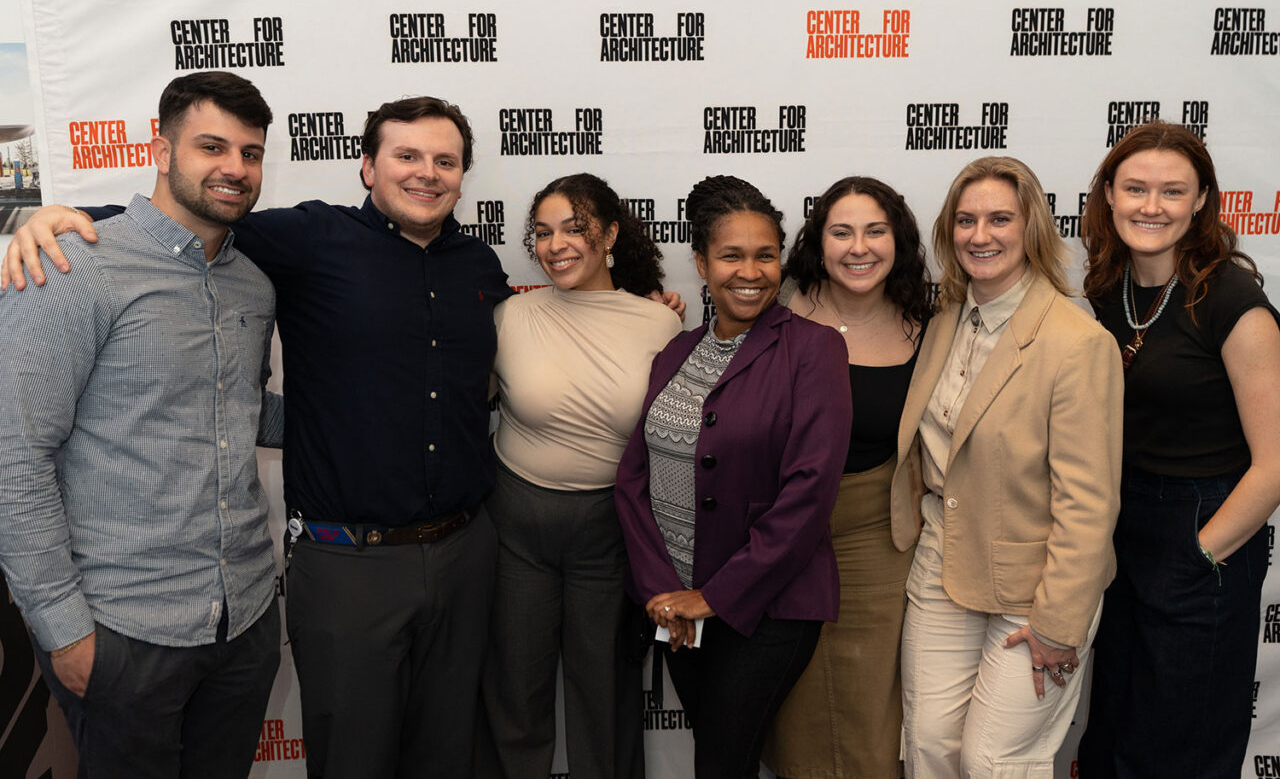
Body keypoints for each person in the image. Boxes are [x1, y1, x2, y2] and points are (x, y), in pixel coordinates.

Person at [2, 97, 512, 778]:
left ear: (461, 175)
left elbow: (237, 398)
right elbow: (186, 220)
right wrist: (57, 217)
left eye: (444, 160)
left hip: (461, 552)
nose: (427, 172)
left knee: (449, 753)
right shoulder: (306, 240)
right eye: (406, 156)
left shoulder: (478, 266)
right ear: (367, 167)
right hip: (344, 566)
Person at [0, 71, 283, 777]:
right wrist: (64, 630)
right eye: (211, 146)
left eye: (250, 153)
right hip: (124, 630)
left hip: (243, 622)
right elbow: (14, 454)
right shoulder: (75, 266)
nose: (234, 168)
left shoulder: (251, 281)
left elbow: (238, 410)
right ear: (161, 151)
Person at [890, 156, 1123, 777]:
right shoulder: (944, 316)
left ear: (1031, 229)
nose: (980, 234)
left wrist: (1059, 621)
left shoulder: (1078, 343)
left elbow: (1090, 502)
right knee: (929, 746)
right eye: (965, 220)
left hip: (1035, 586)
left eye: (999, 218)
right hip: (942, 561)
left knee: (995, 761)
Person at [613, 175, 851, 779]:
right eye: (732, 255)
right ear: (701, 263)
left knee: (723, 763)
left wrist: (712, 597)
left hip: (768, 608)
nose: (752, 271)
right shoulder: (675, 351)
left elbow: (809, 494)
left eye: (766, 255)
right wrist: (661, 591)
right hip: (679, 609)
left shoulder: (814, 350)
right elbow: (634, 480)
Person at [1076, 122, 1280, 778]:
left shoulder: (1234, 301)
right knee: (1115, 728)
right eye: (1135, 187)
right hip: (1122, 522)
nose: (1151, 205)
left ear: (1200, 202)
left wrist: (1201, 552)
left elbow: (1276, 461)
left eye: (1172, 190)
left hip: (1203, 521)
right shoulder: (1109, 288)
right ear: (1109, 193)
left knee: (1181, 744)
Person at [478, 173, 682, 779]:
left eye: (575, 227)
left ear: (611, 233)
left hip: (608, 533)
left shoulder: (659, 324)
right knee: (515, 692)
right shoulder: (511, 315)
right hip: (514, 526)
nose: (556, 243)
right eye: (542, 232)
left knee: (605, 695)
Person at [764, 176, 932, 779]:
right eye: (841, 232)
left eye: (875, 231)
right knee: (794, 697)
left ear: (899, 240)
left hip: (875, 534)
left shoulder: (929, 323)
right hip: (780, 532)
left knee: (868, 697)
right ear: (819, 241)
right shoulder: (777, 307)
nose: (858, 247)